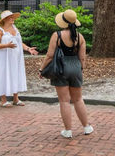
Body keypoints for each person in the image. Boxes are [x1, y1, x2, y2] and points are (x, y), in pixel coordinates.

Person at [39, 9, 93, 139]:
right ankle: (86, 127)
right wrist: (80, 70)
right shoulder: (80, 37)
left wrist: (42, 69)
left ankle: (68, 131)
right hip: (75, 68)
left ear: (63, 22)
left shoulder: (56, 35)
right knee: (78, 99)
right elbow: (82, 58)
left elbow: (49, 56)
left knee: (64, 101)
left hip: (61, 68)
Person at [0, 10, 38, 107]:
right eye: (10, 17)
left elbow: (19, 42)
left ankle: (15, 99)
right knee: (3, 75)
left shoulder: (15, 29)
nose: (12, 18)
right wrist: (6, 45)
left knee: (15, 74)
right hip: (4, 58)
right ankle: (3, 100)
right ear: (5, 20)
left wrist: (28, 49)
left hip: (15, 57)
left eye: (13, 17)